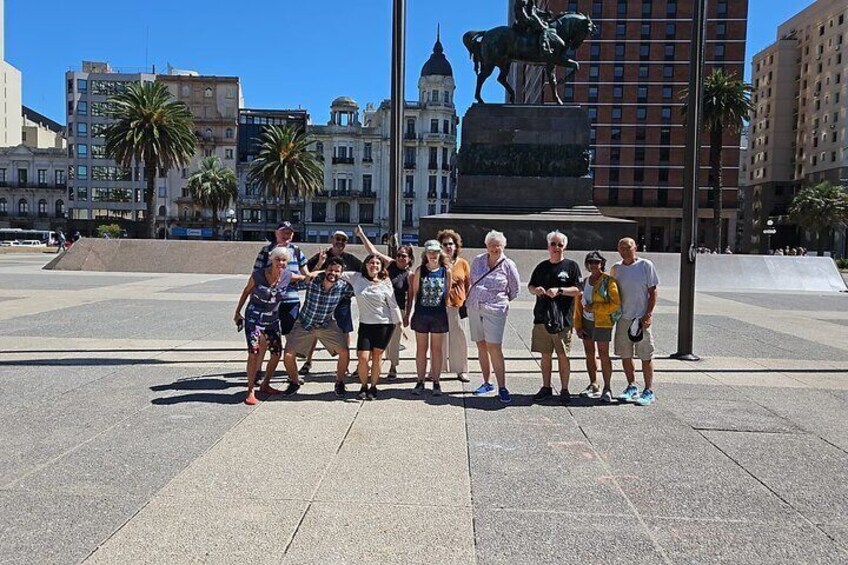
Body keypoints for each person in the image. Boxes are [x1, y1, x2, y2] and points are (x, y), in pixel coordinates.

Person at [234, 246, 305, 405]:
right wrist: (237, 312)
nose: (281, 262)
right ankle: (250, 390)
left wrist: (320, 268)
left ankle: (265, 384)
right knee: (254, 352)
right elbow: (246, 292)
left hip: (272, 321)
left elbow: (304, 277)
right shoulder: (258, 275)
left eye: (284, 260)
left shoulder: (287, 276)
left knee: (276, 353)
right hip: (254, 321)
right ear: (271, 260)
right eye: (278, 259)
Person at [281, 257, 353, 397]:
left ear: (341, 273)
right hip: (304, 324)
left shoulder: (343, 286)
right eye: (330, 270)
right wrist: (312, 273)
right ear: (325, 270)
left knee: (344, 352)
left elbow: (361, 288)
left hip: (325, 324)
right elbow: (296, 284)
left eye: (337, 271)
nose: (333, 273)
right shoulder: (313, 281)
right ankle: (294, 382)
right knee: (288, 354)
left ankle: (339, 382)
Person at [338, 254, 403, 400]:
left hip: (384, 324)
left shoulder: (385, 281)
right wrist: (313, 272)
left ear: (381, 267)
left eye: (377, 263)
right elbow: (335, 272)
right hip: (366, 324)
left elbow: (392, 304)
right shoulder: (357, 278)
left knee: (377, 357)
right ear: (366, 264)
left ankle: (373, 387)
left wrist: (400, 323)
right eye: (371, 263)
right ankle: (363, 386)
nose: (374, 265)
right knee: (362, 357)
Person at [527, 231, 582, 404]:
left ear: (564, 246)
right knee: (545, 355)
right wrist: (535, 290)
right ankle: (546, 387)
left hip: (562, 319)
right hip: (542, 317)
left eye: (559, 244)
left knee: (562, 355)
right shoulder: (541, 267)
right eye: (553, 244)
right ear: (548, 246)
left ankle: (565, 389)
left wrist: (559, 290)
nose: (556, 248)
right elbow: (531, 285)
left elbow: (578, 290)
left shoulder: (571, 266)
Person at [467, 231, 521, 404]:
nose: (495, 248)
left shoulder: (508, 264)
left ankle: (502, 387)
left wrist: (499, 301)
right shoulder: (478, 260)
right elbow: (471, 280)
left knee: (494, 347)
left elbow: (515, 289)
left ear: (503, 246)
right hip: (475, 308)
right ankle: (487, 382)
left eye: (498, 245)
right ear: (486, 246)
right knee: (481, 345)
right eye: (492, 244)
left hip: (495, 310)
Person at [355, 226, 413, 379]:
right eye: (399, 255)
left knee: (395, 341)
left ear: (409, 259)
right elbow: (373, 251)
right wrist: (361, 235)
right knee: (373, 340)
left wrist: (407, 315)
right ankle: (362, 366)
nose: (401, 258)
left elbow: (411, 296)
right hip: (380, 308)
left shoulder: (410, 275)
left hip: (398, 309)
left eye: (404, 256)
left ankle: (393, 366)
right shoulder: (390, 264)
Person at [302, 231, 362, 376]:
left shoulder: (350, 259)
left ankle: (344, 364)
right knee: (314, 331)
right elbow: (307, 275)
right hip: (321, 301)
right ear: (332, 240)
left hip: (342, 301)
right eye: (338, 239)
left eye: (344, 240)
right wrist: (320, 264)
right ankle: (308, 361)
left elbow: (363, 273)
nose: (340, 242)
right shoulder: (321, 256)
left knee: (344, 331)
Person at [611, 237, 659, 406]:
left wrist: (649, 314)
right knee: (625, 354)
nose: (624, 250)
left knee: (645, 354)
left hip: (640, 316)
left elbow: (652, 291)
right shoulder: (616, 269)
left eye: (628, 247)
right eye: (621, 247)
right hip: (624, 317)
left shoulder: (646, 265)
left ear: (635, 248)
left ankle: (648, 389)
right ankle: (631, 386)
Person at [405, 240, 452, 396]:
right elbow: (415, 293)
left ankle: (436, 381)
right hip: (422, 314)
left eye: (436, 252)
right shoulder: (420, 271)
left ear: (440, 253)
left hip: (438, 315)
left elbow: (447, 294)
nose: (433, 255)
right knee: (421, 349)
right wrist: (410, 313)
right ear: (425, 254)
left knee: (437, 350)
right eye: (430, 252)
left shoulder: (446, 271)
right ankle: (420, 381)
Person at [574, 251, 621, 403]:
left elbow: (615, 304)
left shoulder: (608, 281)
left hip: (602, 322)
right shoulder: (585, 281)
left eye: (597, 262)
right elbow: (578, 306)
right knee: (589, 353)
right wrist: (578, 325)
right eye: (591, 262)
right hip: (587, 322)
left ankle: (607, 388)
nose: (594, 265)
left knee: (603, 354)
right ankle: (594, 384)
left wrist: (595, 307)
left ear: (602, 263)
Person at [252, 221, 310, 342]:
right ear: (276, 233)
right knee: (267, 333)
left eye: (289, 233)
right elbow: (257, 275)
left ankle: (288, 359)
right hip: (270, 301)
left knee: (291, 334)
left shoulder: (297, 251)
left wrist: (319, 265)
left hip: (291, 300)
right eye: (283, 232)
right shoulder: (266, 251)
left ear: (293, 235)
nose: (286, 235)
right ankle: (271, 356)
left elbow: (306, 275)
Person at [438, 229, 471, 383]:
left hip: (458, 305)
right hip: (439, 306)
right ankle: (438, 368)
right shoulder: (437, 263)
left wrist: (467, 302)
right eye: (445, 244)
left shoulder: (463, 263)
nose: (448, 247)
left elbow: (468, 284)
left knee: (459, 337)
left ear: (456, 246)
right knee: (440, 338)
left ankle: (461, 369)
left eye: (451, 244)